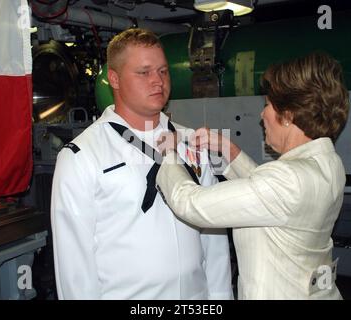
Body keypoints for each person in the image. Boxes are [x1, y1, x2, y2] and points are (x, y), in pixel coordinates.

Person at [50, 28, 233, 300]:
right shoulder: (82, 156)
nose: (157, 81)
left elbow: (213, 237)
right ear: (114, 78)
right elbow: (74, 263)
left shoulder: (191, 143)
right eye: (144, 72)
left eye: (163, 71)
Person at [156, 52, 350, 300]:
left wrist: (169, 154)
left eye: (268, 104)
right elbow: (269, 194)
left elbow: (190, 203)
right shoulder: (328, 164)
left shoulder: (288, 180)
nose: (262, 115)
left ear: (288, 115)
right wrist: (228, 150)